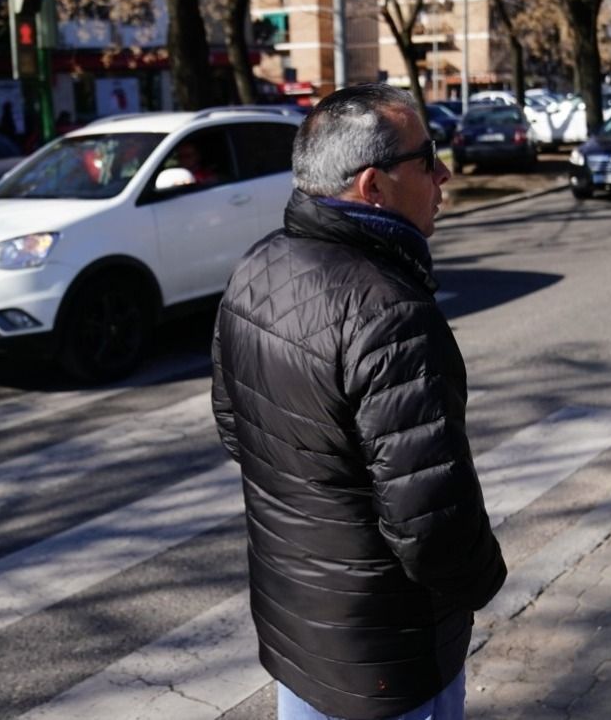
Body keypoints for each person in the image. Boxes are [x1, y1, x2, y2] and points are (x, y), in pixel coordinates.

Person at [211, 83, 507, 720]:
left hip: (298, 627)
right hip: (388, 655)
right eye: (428, 159)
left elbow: (235, 429)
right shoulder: (390, 311)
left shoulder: (258, 267)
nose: (445, 174)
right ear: (373, 186)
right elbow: (433, 524)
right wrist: (485, 583)